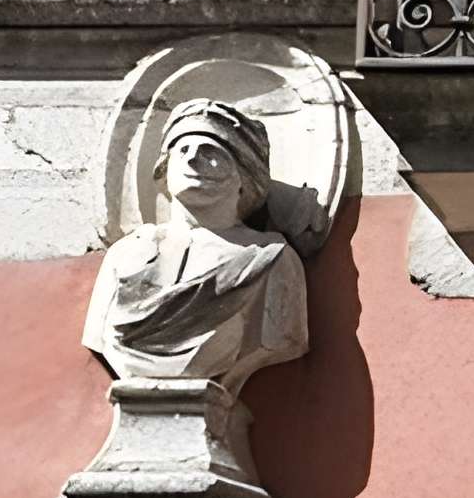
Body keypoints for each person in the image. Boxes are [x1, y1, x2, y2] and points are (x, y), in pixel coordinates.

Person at [82, 100, 308, 387]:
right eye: (183, 150)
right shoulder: (124, 253)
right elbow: (99, 335)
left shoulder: (271, 260)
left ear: (244, 175)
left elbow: (281, 339)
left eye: (210, 152)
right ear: (165, 167)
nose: (191, 160)